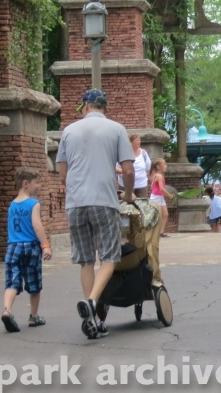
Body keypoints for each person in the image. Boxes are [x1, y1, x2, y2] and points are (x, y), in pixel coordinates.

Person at [56, 89, 134, 340]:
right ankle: (91, 302)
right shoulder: (116, 129)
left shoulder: (68, 131)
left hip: (75, 203)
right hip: (103, 201)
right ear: (104, 107)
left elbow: (62, 170)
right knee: (110, 257)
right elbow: (129, 170)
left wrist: (75, 186)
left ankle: (96, 320)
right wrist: (129, 195)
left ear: (85, 107)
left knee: (85, 260)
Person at [1, 167, 52, 333]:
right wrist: (46, 245)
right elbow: (37, 226)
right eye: (37, 183)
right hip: (30, 246)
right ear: (25, 184)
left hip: (13, 247)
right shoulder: (34, 203)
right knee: (34, 283)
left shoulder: (12, 205)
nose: (39, 186)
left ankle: (7, 310)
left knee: (12, 281)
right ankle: (33, 316)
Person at [117, 134, 151, 198]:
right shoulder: (123, 153)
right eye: (137, 140)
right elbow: (116, 168)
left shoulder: (143, 153)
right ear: (130, 142)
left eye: (140, 140)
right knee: (127, 206)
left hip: (141, 185)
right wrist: (126, 172)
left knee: (142, 205)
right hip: (126, 185)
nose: (139, 142)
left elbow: (148, 168)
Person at [148, 157, 173, 234]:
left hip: (159, 196)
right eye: (164, 164)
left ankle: (161, 231)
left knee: (165, 214)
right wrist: (169, 195)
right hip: (156, 197)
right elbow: (161, 188)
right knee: (156, 215)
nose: (166, 166)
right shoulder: (159, 176)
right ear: (159, 167)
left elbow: (152, 187)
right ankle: (153, 231)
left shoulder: (156, 175)